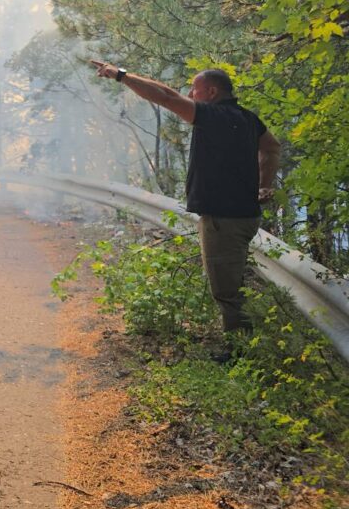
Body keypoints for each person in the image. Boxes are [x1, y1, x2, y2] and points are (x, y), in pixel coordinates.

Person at [92, 62, 282, 345]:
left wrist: (121, 75)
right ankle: (246, 344)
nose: (191, 95)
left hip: (223, 220)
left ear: (212, 92)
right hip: (246, 216)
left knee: (226, 291)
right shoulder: (247, 118)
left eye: (195, 89)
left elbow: (166, 97)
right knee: (232, 282)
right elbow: (272, 147)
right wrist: (264, 185)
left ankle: (240, 350)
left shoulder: (212, 116)